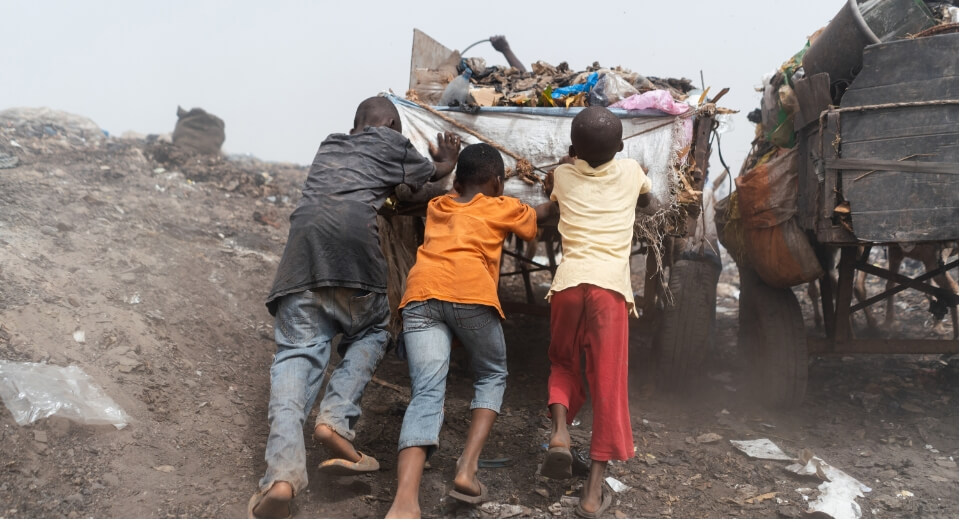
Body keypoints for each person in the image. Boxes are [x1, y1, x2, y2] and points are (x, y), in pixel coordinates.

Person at [248, 96, 461, 519]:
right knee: (375, 331)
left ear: (354, 125)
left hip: (301, 266)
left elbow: (384, 189)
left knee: (294, 360)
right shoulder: (393, 143)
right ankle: (335, 418)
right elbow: (428, 179)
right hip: (356, 263)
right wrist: (448, 158)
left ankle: (282, 477)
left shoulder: (330, 144)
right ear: (393, 126)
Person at [385, 143, 555, 518]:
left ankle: (404, 502)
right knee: (492, 374)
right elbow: (542, 215)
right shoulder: (501, 206)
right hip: (471, 296)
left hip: (421, 295)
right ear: (497, 182)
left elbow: (449, 187)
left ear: (458, 181)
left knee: (427, 392)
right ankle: (467, 468)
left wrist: (447, 162)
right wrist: (562, 183)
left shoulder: (437, 207)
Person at [539, 106, 651, 518]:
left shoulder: (563, 177)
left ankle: (561, 435)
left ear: (573, 149)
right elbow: (650, 199)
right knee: (608, 384)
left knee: (562, 363)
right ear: (620, 147)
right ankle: (591, 494)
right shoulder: (632, 172)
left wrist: (569, 162)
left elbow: (552, 188)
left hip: (568, 283)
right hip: (609, 289)